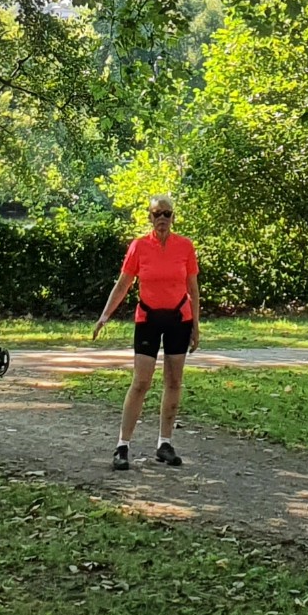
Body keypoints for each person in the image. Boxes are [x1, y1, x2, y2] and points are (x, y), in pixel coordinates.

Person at [91, 195, 198, 469]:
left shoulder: (185, 246)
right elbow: (123, 283)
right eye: (157, 213)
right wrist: (105, 315)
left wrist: (196, 325)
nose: (162, 218)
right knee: (141, 382)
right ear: (149, 217)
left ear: (173, 217)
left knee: (174, 381)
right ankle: (122, 446)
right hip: (148, 318)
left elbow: (193, 288)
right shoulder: (139, 246)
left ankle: (164, 443)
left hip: (179, 318)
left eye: (167, 213)